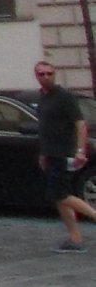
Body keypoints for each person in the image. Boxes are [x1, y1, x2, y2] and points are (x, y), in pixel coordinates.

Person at [35, 59, 95, 253]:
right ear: (36, 76)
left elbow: (80, 125)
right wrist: (43, 153)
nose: (45, 77)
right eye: (41, 74)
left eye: (49, 73)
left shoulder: (64, 97)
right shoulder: (43, 98)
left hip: (64, 153)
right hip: (51, 153)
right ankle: (75, 238)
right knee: (59, 197)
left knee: (60, 194)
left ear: (55, 74)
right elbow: (45, 129)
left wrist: (80, 150)